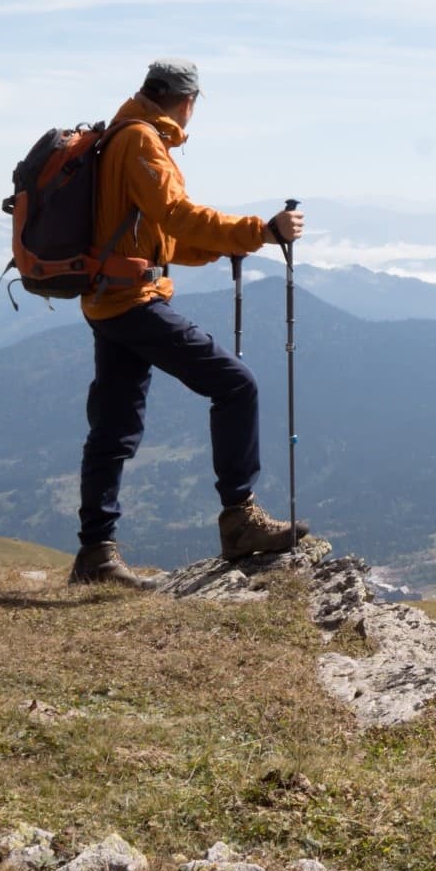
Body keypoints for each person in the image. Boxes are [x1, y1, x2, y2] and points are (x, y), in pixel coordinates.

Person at [68, 58, 308, 588]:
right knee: (235, 385)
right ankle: (240, 520)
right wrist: (259, 231)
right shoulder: (140, 142)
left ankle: (95, 556)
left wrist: (228, 247)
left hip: (108, 299)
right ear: (187, 101)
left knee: (112, 428)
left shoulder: (120, 136)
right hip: (132, 300)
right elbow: (176, 215)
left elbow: (159, 237)